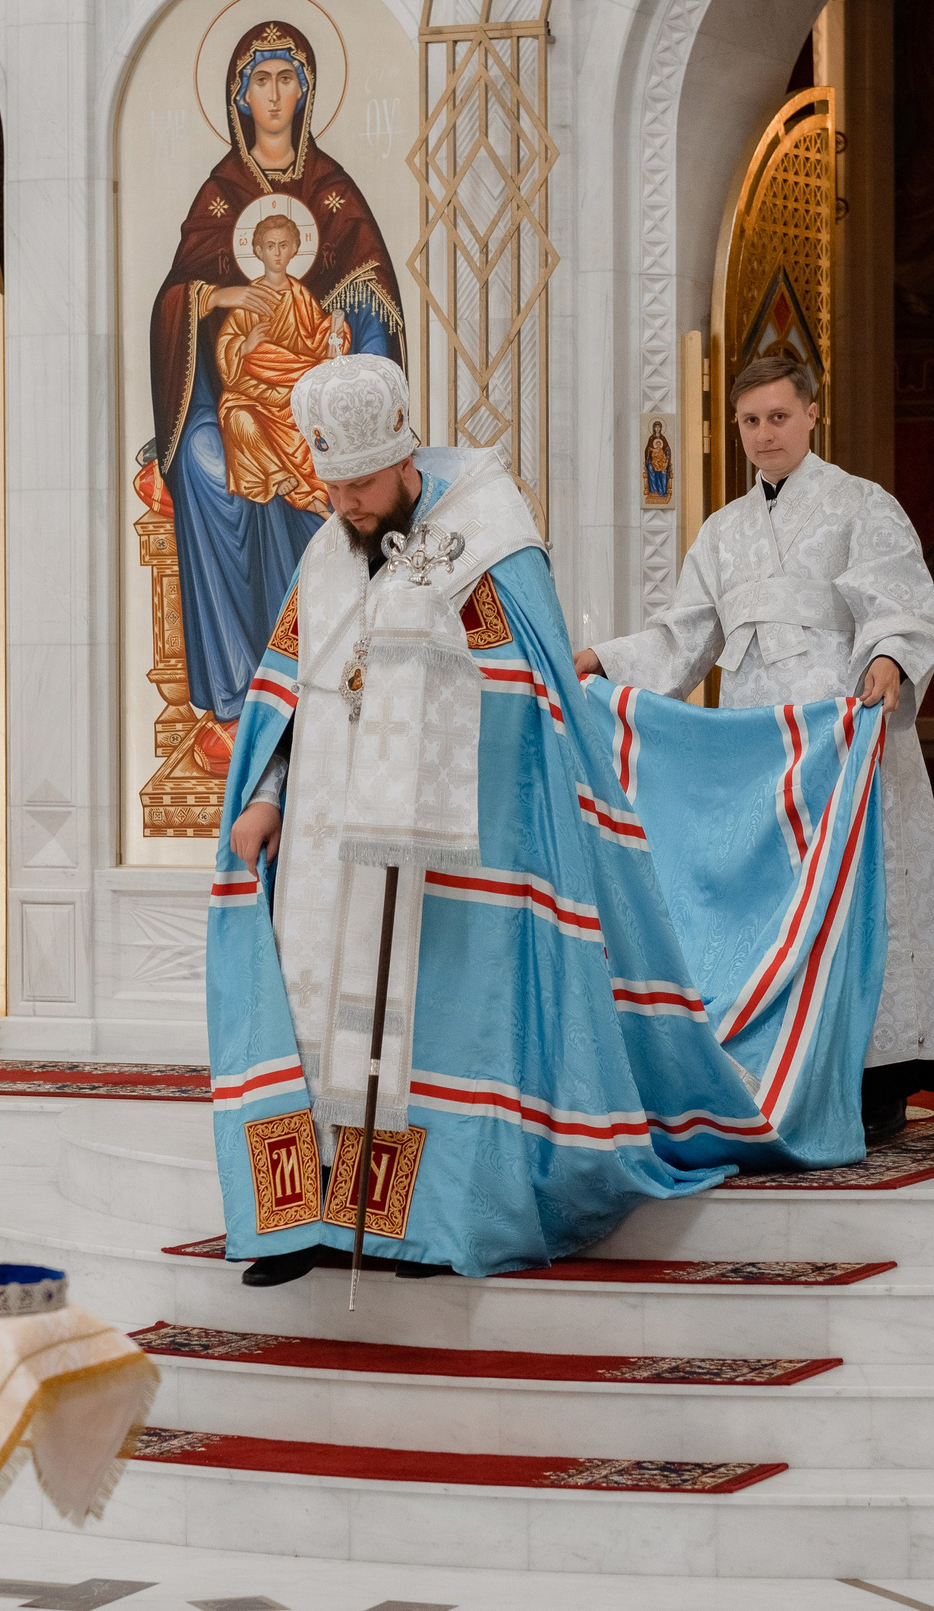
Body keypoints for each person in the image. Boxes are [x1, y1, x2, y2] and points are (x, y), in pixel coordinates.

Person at [209, 356, 886, 1286]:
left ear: (404, 459)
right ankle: (317, 1221)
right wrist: (266, 796)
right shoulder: (333, 545)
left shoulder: (487, 536)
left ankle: (425, 1219)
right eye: (333, 487)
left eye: (360, 485)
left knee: (426, 1038)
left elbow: (533, 698)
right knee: (323, 1025)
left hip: (449, 843)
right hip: (329, 847)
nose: (348, 505)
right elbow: (293, 687)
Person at [577, 353, 934, 1147]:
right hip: (763, 749)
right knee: (778, 908)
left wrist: (889, 658)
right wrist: (609, 662)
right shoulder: (724, 532)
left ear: (811, 415)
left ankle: (876, 1076)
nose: (764, 433)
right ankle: (775, 1063)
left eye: (777, 417)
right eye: (750, 421)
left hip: (845, 729)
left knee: (857, 897)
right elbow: (685, 633)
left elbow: (897, 604)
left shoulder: (863, 507)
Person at [148, 20, 404, 739]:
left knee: (330, 459)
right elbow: (176, 307)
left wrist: (339, 353)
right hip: (229, 391)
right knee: (203, 462)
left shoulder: (335, 193)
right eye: (260, 79)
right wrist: (218, 298)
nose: (274, 94)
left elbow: (373, 302)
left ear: (307, 90)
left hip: (319, 392)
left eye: (286, 78)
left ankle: (330, 673)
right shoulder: (219, 196)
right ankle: (237, 680)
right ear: (239, 92)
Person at [213, 212, 343, 512]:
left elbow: (316, 340)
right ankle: (276, 474)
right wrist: (245, 346)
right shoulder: (250, 297)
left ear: (294, 248)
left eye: (283, 245)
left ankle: (318, 499)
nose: (276, 252)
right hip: (253, 391)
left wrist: (335, 329)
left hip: (294, 389)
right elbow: (228, 348)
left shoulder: (300, 296)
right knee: (237, 418)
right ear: (258, 251)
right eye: (269, 246)